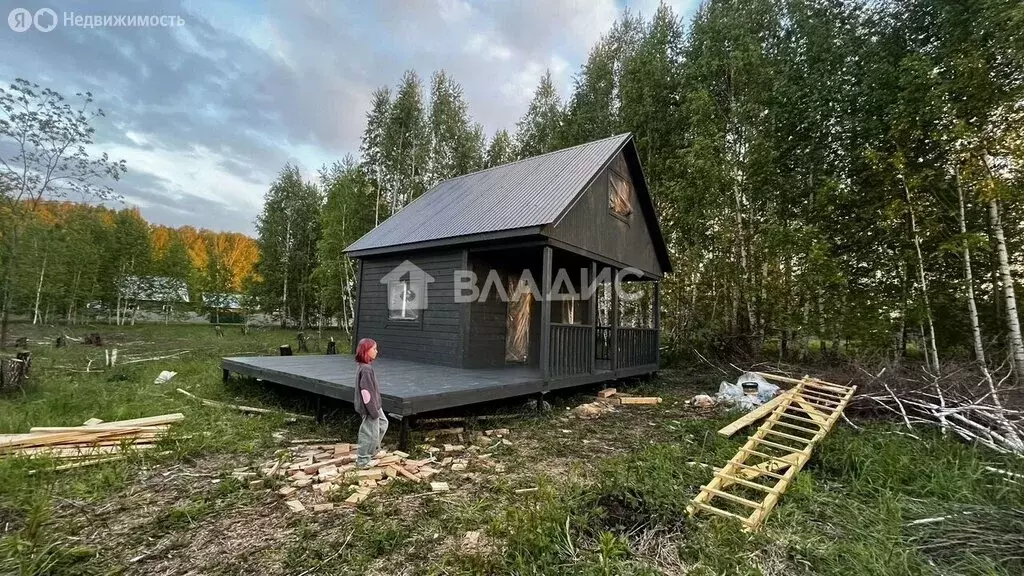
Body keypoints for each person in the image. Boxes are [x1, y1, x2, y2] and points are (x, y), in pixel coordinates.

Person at [354, 338, 387, 467]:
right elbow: (366, 392)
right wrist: (372, 411)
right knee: (368, 433)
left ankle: (372, 450)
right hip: (370, 408)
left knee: (383, 424)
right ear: (366, 351)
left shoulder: (365, 367)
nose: (376, 351)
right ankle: (363, 460)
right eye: (374, 349)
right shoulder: (366, 369)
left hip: (375, 405)